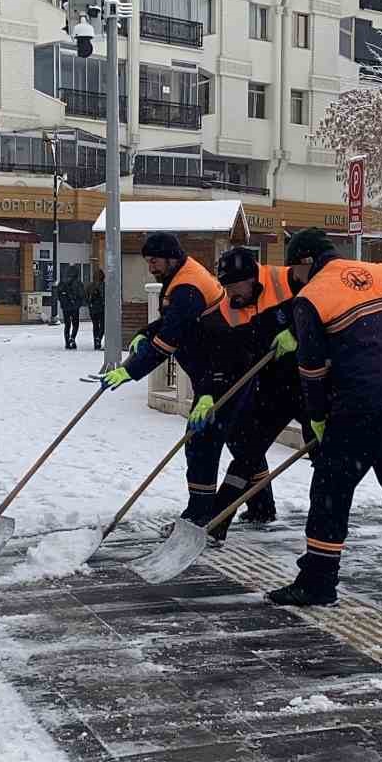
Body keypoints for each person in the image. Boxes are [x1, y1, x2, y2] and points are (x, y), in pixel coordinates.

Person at [265, 228, 382, 608]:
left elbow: (311, 370)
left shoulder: (311, 298)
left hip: (359, 408)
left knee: (331, 491)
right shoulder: (380, 272)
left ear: (306, 262)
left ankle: (318, 581)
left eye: (293, 273)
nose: (294, 282)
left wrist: (315, 418)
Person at [100, 232, 239, 524]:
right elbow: (171, 320)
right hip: (216, 369)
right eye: (149, 261)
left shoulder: (188, 287)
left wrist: (131, 370)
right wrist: (144, 334)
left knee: (201, 442)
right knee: (243, 441)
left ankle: (198, 516)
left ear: (171, 258)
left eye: (155, 261)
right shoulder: (182, 279)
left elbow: (170, 339)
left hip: (225, 373)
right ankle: (262, 508)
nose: (151, 267)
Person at [204, 246, 309, 542]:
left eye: (235, 286)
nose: (231, 294)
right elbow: (232, 347)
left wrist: (296, 331)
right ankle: (217, 521)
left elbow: (319, 306)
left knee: (327, 457)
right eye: (226, 287)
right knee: (247, 451)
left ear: (251, 278)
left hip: (310, 383)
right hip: (273, 387)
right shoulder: (230, 305)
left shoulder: (287, 279)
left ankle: (327, 520)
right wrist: (209, 392)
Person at [56, 268, 86, 349]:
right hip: (74, 307)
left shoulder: (62, 282)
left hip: (65, 307)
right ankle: (72, 338)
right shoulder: (78, 283)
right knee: (75, 324)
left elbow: (58, 294)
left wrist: (63, 303)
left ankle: (67, 342)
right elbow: (82, 295)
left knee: (67, 325)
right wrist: (79, 303)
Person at [85, 268, 106, 350]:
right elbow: (105, 297)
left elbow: (86, 297)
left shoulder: (90, 286)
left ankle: (96, 343)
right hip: (102, 309)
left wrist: (89, 304)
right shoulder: (104, 285)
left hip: (92, 309)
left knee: (95, 326)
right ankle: (99, 339)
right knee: (103, 326)